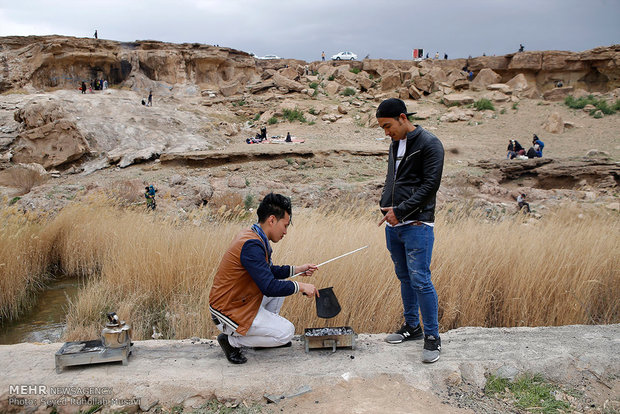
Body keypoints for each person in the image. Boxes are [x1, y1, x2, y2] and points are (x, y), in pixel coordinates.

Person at [209, 193, 319, 364]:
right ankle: (231, 341)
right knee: (286, 332)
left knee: (280, 285)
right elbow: (269, 286)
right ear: (272, 220)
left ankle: (264, 336)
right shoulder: (252, 244)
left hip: (239, 300)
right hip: (228, 311)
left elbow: (267, 272)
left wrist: (297, 270)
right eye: (285, 225)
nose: (285, 232)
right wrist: (301, 286)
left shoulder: (255, 235)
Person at [376, 98, 444, 364]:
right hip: (394, 224)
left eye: (388, 126)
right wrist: (385, 205)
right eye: (382, 128)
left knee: (420, 280)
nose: (386, 132)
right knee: (405, 277)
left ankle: (433, 338)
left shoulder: (430, 144)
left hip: (417, 225)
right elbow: (391, 178)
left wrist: (400, 211)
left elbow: (430, 187)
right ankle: (412, 327)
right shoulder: (395, 143)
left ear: (403, 118)